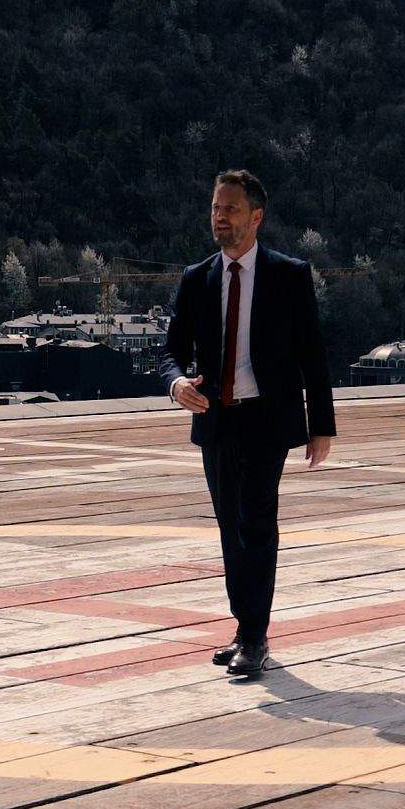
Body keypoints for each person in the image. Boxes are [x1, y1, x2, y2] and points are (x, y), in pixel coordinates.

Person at [160, 167, 337, 681]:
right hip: (215, 420)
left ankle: (255, 637)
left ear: (256, 216)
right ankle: (245, 628)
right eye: (216, 208)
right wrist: (176, 384)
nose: (220, 217)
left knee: (255, 524)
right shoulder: (197, 279)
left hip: (266, 419)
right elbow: (170, 351)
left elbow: (312, 354)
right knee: (228, 529)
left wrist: (321, 425)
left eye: (231, 209)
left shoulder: (289, 275)